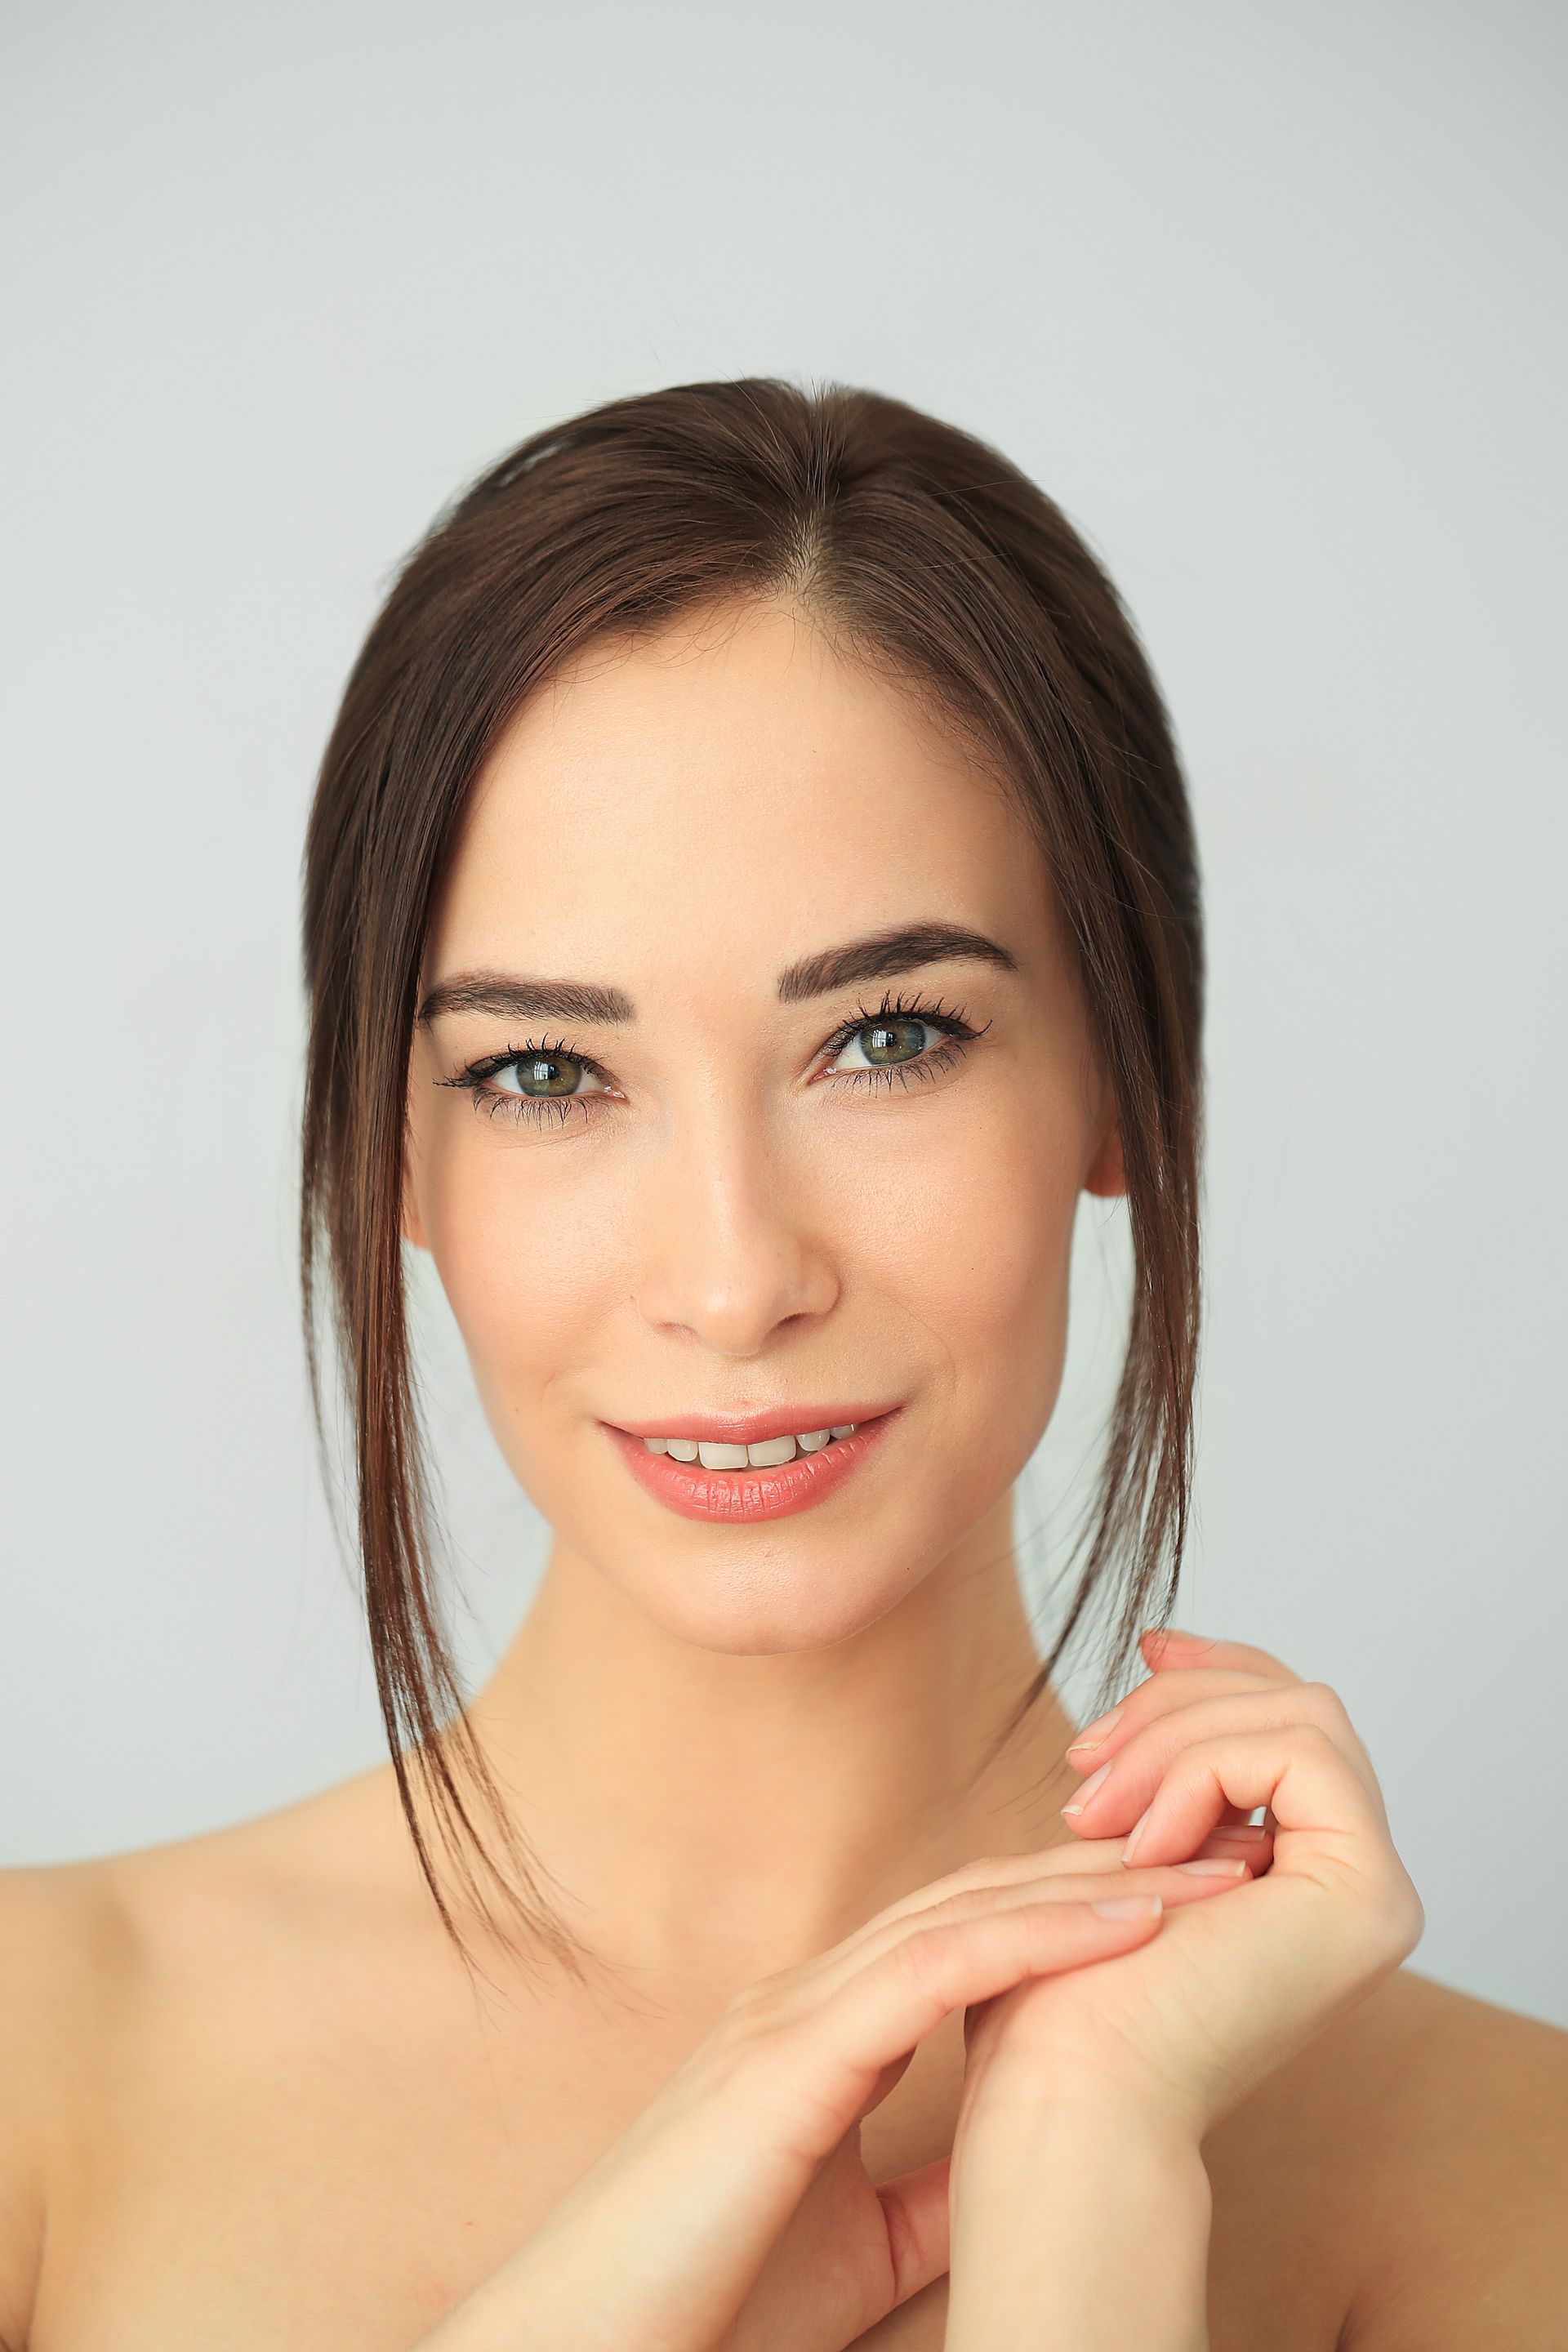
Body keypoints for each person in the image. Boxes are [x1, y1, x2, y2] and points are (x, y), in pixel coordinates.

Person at [2, 380, 1563, 2351]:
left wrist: (1086, 2169)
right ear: (395, 1153)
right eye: (546, 1073)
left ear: (1126, 1081)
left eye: (889, 1040)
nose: (735, 1284)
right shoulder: (38, 2070)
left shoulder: (1513, 2179)